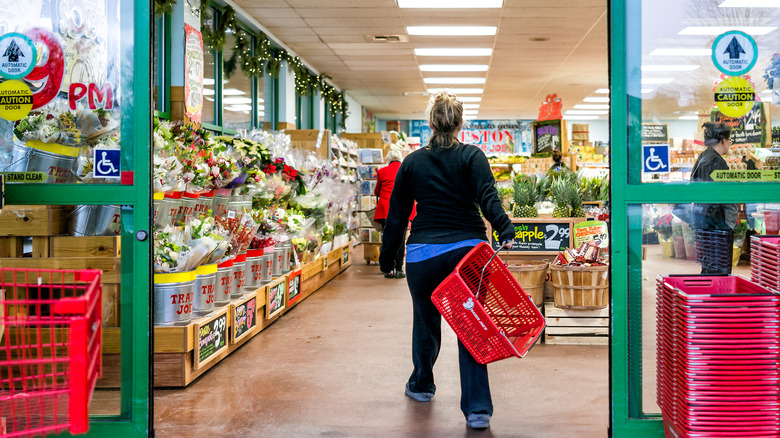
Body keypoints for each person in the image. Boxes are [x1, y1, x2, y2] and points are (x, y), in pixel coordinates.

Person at [378, 91, 515, 430]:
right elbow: (488, 198)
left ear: (430, 123)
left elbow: (396, 216)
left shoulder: (411, 162)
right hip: (468, 254)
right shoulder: (473, 156)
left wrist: (388, 259)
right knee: (471, 327)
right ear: (460, 123)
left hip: (424, 254)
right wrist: (505, 229)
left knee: (425, 321)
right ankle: (478, 408)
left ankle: (422, 385)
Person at [691, 122, 738, 274]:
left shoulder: (704, 157)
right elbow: (716, 195)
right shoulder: (716, 161)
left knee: (711, 265)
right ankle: (715, 297)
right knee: (718, 269)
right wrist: (725, 226)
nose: (729, 144)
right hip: (717, 224)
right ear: (723, 140)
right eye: (729, 140)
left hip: (706, 221)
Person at [374, 149, 407, 279]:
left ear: (388, 159)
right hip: (402, 210)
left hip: (385, 211)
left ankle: (388, 269)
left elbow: (377, 192)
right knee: (401, 240)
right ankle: (399, 269)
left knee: (387, 240)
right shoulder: (405, 170)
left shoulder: (382, 171)